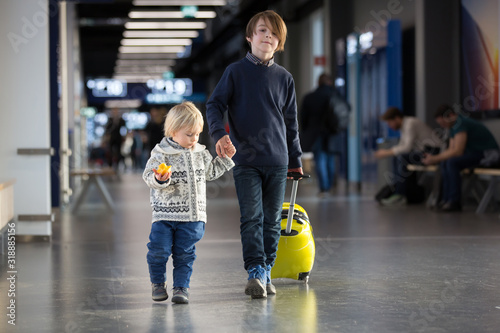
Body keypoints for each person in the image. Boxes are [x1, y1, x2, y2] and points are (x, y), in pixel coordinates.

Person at [206, 10, 303, 299]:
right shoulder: (235, 72)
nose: (268, 36)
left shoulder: (284, 78)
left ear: (279, 42)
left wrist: (295, 160)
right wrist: (219, 134)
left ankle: (267, 270)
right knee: (251, 218)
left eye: (274, 33)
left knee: (271, 220)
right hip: (245, 160)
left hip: (277, 160)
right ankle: (256, 271)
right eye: (262, 31)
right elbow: (214, 105)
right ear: (250, 37)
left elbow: (291, 123)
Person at [143, 101, 236, 304]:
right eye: (189, 134)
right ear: (174, 131)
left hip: (193, 217)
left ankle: (181, 288)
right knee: (158, 250)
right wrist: (160, 179)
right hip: (164, 215)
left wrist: (225, 159)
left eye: (197, 134)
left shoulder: (201, 153)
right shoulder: (161, 152)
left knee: (185, 255)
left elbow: (210, 173)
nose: (194, 139)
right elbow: (148, 175)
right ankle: (158, 283)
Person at [422, 104, 499, 212]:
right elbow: (451, 150)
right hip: (476, 153)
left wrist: (434, 159)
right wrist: (435, 158)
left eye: (443, 122)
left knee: (452, 163)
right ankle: (445, 199)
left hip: (488, 154)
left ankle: (454, 201)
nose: (443, 126)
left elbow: (457, 151)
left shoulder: (460, 123)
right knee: (445, 162)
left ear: (451, 115)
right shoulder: (453, 126)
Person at [374, 107, 442, 206]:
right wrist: (389, 152)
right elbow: (402, 146)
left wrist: (386, 152)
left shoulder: (410, 123)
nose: (389, 126)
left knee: (403, 158)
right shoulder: (404, 126)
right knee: (399, 157)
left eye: (389, 122)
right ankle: (409, 194)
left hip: (433, 151)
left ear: (396, 118)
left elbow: (406, 148)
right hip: (423, 151)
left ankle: (400, 194)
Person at [300, 73, 339, 196]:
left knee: (320, 159)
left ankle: (324, 188)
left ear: (318, 83)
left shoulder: (310, 97)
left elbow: (303, 117)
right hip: (332, 133)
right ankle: (331, 185)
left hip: (315, 132)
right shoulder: (336, 96)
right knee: (330, 159)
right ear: (330, 83)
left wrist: (306, 132)